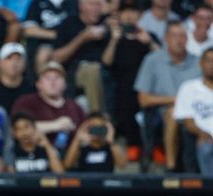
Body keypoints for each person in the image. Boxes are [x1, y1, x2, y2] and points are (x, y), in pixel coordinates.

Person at [133, 21, 200, 171]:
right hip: (159, 114)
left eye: (183, 36)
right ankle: (171, 167)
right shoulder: (152, 60)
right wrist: (177, 100)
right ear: (166, 39)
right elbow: (143, 100)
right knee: (173, 112)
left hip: (196, 112)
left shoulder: (198, 63)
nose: (179, 40)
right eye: (174, 35)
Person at [101, 2, 157, 162]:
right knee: (125, 95)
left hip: (149, 86)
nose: (129, 16)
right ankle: (133, 145)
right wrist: (114, 40)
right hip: (122, 85)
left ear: (140, 15)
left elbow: (163, 62)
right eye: (125, 12)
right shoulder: (113, 36)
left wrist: (149, 42)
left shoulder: (148, 35)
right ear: (118, 15)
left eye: (133, 11)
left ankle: (156, 147)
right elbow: (106, 61)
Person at [11, 61, 85, 153]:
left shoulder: (75, 107)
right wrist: (55, 125)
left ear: (65, 84)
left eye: (57, 78)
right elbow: (15, 130)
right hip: (34, 158)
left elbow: (85, 133)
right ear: (38, 84)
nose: (52, 82)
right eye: (48, 78)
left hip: (71, 158)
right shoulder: (26, 103)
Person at [51, 0, 110, 113]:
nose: (96, 9)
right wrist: (82, 38)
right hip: (75, 71)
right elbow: (57, 58)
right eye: (92, 4)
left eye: (98, 4)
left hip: (106, 71)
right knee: (92, 69)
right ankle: (96, 116)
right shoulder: (68, 24)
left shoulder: (106, 22)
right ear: (81, 6)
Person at [173, 47, 213, 175]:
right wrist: (202, 133)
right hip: (203, 138)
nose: (211, 65)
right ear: (200, 63)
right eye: (208, 60)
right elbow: (188, 122)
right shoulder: (188, 88)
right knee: (206, 148)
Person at [22, 0, 72, 76]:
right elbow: (28, 30)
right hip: (43, 45)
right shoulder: (37, 3)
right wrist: (57, 35)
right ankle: (40, 83)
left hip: (70, 44)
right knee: (43, 53)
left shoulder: (73, 3)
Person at [63, 112, 127, 171]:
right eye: (93, 128)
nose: (96, 131)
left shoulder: (110, 148)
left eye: (100, 128)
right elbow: (67, 164)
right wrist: (77, 138)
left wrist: (111, 140)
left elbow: (122, 165)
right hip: (87, 182)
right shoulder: (82, 149)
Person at [0, 42, 33, 115]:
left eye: (19, 58)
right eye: (9, 58)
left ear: (25, 64)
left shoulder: (31, 89)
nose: (14, 62)